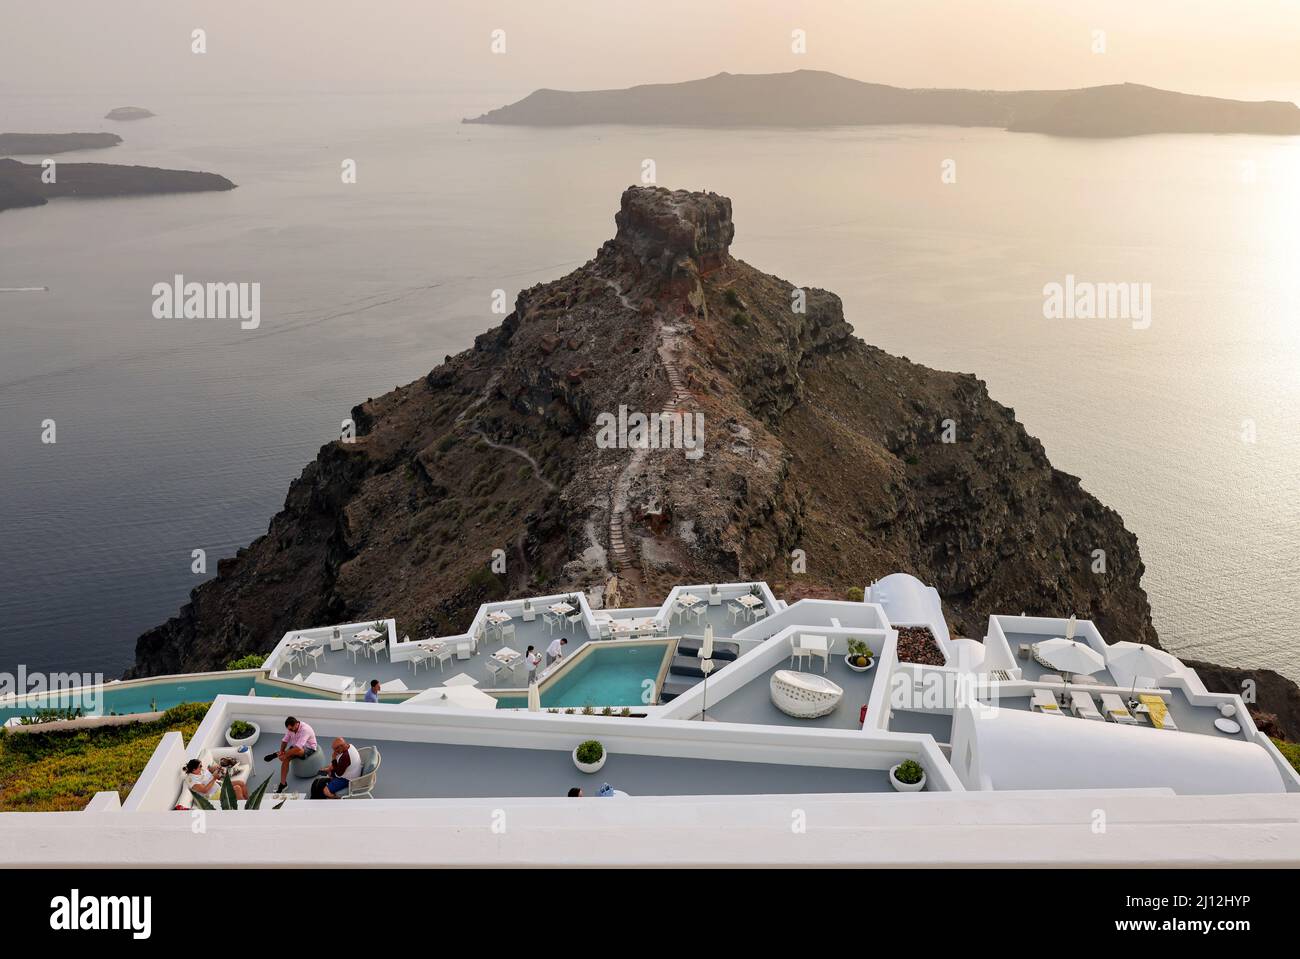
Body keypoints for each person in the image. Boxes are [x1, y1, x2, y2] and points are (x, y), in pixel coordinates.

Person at [264, 716, 317, 793]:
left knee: (296, 751)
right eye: (289, 729)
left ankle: (278, 754)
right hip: (296, 746)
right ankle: (283, 784)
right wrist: (282, 751)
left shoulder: (305, 730)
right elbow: (285, 741)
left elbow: (298, 748)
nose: (290, 730)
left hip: (309, 748)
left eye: (291, 729)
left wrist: (285, 755)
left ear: (296, 724)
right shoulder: (290, 729)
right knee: (285, 759)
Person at [183, 757, 248, 802]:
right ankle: (245, 808)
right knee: (237, 788)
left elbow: (210, 770)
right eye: (200, 766)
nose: (202, 767)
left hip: (219, 785)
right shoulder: (191, 780)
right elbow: (204, 790)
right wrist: (214, 778)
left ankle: (247, 800)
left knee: (241, 783)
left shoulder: (200, 771)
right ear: (194, 770)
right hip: (213, 795)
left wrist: (218, 768)